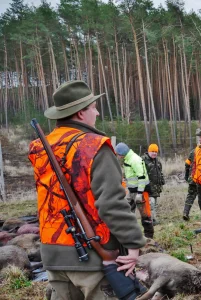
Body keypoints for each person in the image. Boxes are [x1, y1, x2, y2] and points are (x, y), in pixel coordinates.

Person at [28, 80, 146, 299]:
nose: (97, 112)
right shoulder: (95, 146)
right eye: (93, 108)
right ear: (81, 114)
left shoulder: (40, 147)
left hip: (52, 254)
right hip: (93, 257)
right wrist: (133, 244)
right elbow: (111, 203)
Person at [115, 142, 154, 239]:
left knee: (145, 215)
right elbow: (131, 176)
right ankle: (130, 235)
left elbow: (142, 177)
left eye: (118, 154)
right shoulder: (128, 158)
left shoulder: (134, 160)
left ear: (122, 153)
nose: (118, 156)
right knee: (127, 211)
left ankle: (149, 238)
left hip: (140, 191)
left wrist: (140, 193)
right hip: (131, 191)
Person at [142, 144, 165, 225]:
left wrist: (162, 180)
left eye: (156, 152)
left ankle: (153, 219)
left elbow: (160, 172)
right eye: (152, 151)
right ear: (148, 151)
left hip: (156, 187)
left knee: (154, 204)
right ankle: (150, 220)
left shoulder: (157, 161)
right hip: (147, 187)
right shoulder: (143, 160)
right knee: (150, 204)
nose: (154, 153)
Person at [182, 129, 201, 221]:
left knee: (190, 196)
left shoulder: (192, 152)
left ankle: (186, 212)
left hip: (192, 178)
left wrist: (186, 176)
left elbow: (187, 165)